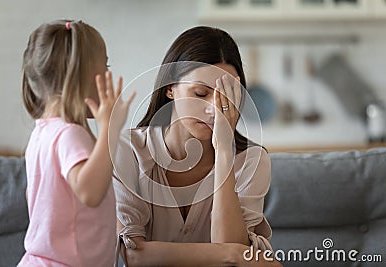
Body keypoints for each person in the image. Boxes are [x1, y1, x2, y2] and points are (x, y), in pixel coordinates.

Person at [113, 26, 281, 266]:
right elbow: (134, 255)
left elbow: (232, 256)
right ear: (170, 88)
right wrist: (231, 253)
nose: (213, 109)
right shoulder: (128, 150)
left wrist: (224, 150)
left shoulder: (251, 160)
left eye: (226, 97)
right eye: (200, 93)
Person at [18, 19, 135, 267]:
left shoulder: (42, 133)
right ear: (80, 75)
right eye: (105, 66)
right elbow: (90, 193)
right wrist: (110, 130)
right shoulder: (70, 134)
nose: (108, 75)